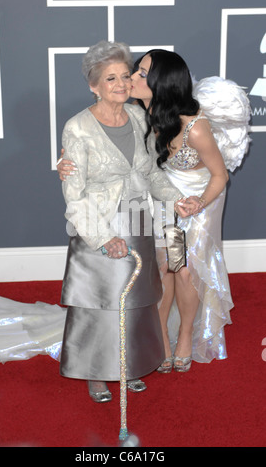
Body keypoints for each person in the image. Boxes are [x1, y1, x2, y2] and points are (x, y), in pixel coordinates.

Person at [58, 47, 250, 374]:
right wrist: (66, 161)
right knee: (161, 269)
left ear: (160, 83)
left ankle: (186, 335)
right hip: (158, 199)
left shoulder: (194, 126)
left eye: (140, 74)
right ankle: (159, 336)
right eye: (133, 71)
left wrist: (196, 202)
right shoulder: (137, 111)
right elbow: (103, 142)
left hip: (196, 202)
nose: (130, 79)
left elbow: (220, 175)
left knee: (184, 269)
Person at [58, 41, 198, 403]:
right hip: (99, 227)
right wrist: (103, 238)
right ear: (93, 85)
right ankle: (96, 372)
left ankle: (129, 364)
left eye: (125, 75)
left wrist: (175, 198)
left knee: (137, 300)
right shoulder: (77, 128)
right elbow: (75, 195)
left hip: (137, 222)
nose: (120, 84)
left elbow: (149, 173)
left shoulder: (137, 117)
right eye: (110, 78)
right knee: (100, 305)